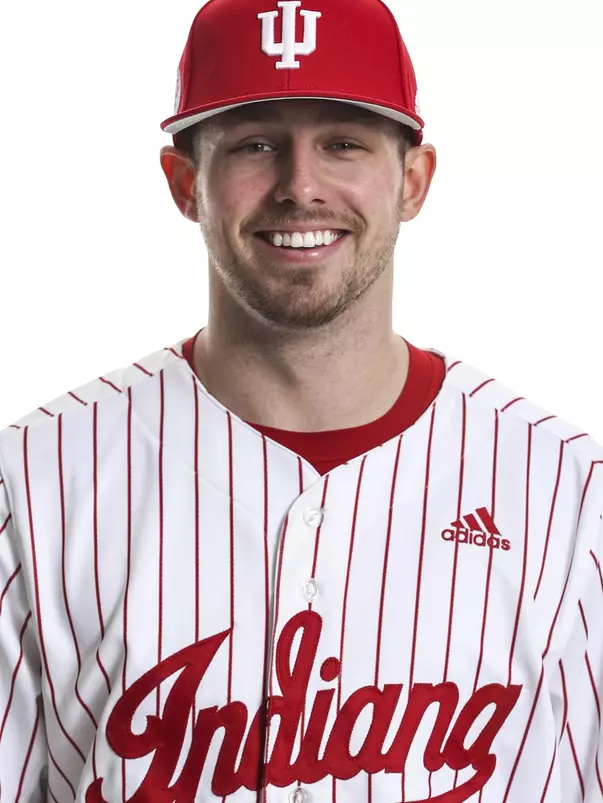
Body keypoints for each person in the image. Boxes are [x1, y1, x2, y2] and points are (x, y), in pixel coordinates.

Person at [1, 0, 602, 800]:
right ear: (185, 183)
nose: (299, 186)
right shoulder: (34, 485)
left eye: (342, 142)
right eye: (256, 144)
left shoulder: (567, 493)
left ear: (414, 181)